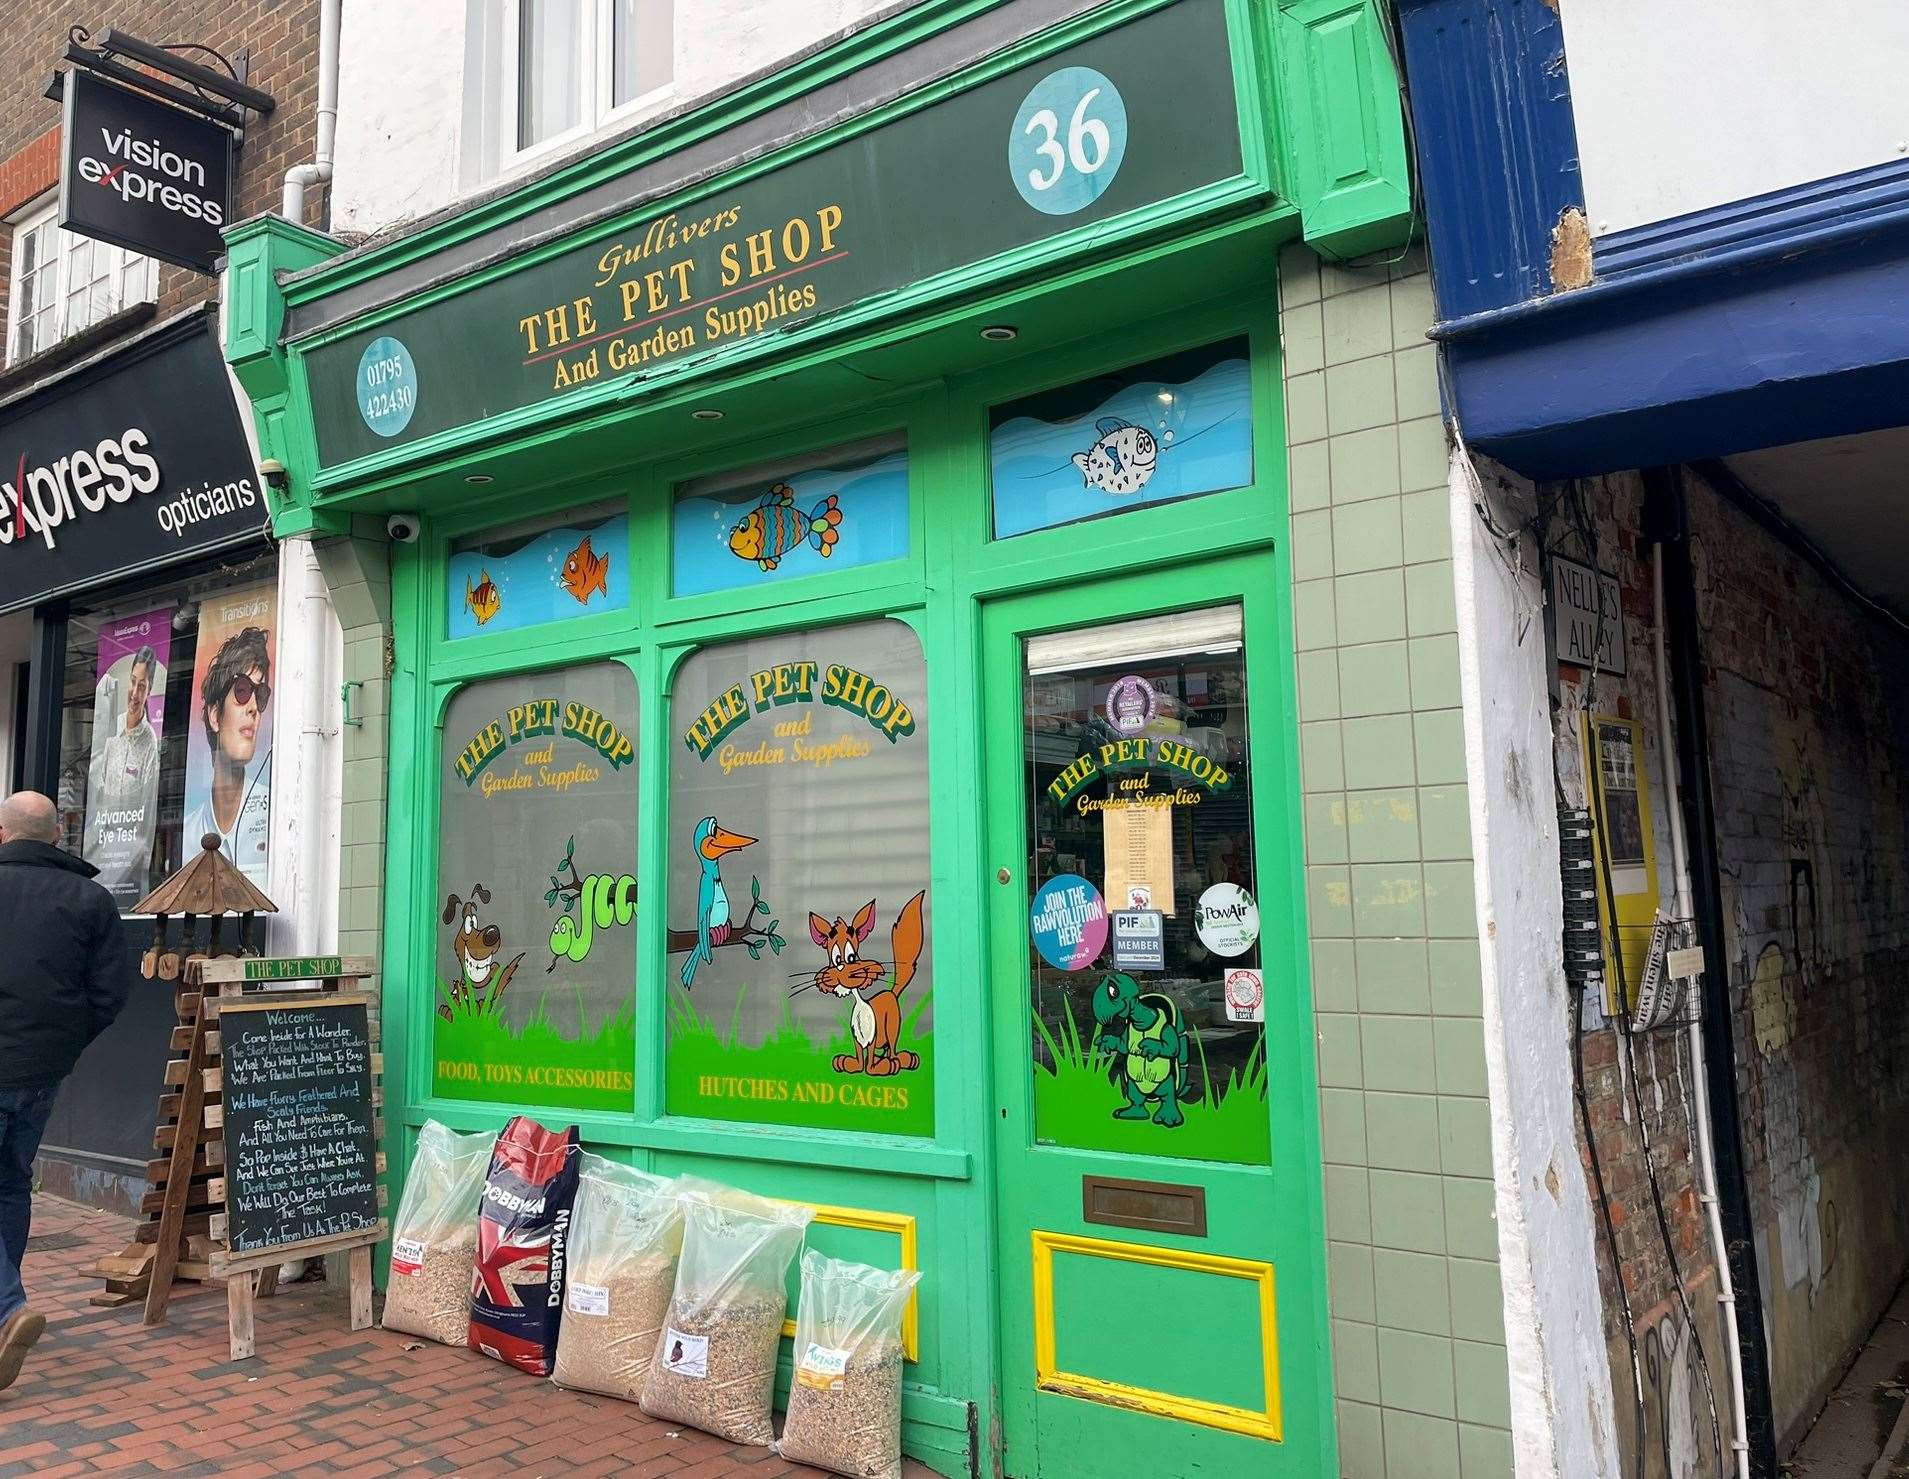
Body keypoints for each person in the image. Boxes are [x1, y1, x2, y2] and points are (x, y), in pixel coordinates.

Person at [0, 791, 130, 1390]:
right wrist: (64, 1046)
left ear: (3, 834)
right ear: (57, 836)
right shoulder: (91, 898)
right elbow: (109, 995)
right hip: (42, 1072)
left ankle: (8, 1308)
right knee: (10, 1179)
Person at [184, 627, 272, 881]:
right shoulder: (190, 832)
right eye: (243, 691)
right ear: (215, 716)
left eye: (261, 695)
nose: (254, 707)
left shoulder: (272, 814)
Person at [85, 645, 162, 898]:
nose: (135, 693)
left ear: (149, 691)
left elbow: (149, 812)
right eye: (133, 682)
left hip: (130, 863)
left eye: (142, 686)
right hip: (102, 857)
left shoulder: (150, 743)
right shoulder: (111, 732)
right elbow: (97, 793)